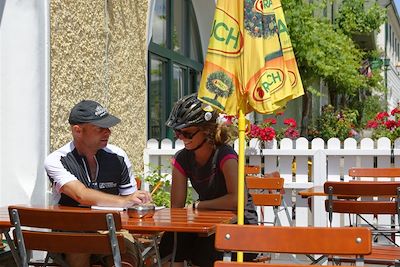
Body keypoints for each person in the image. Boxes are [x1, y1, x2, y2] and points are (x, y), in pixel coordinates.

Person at [45, 100, 151, 267]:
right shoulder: (57, 160)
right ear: (77, 130)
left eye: (108, 127)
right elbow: (81, 195)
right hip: (72, 229)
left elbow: (131, 202)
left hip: (114, 229)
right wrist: (124, 201)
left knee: (126, 259)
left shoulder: (118, 156)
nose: (108, 132)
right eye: (100, 128)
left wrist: (139, 201)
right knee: (79, 245)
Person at [158, 94, 258, 267]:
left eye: (187, 132)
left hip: (241, 226)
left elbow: (237, 200)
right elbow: (177, 207)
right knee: (170, 243)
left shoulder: (225, 155)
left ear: (206, 130)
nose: (181, 137)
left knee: (205, 252)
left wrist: (199, 205)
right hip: (206, 223)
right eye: (177, 132)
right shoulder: (182, 158)